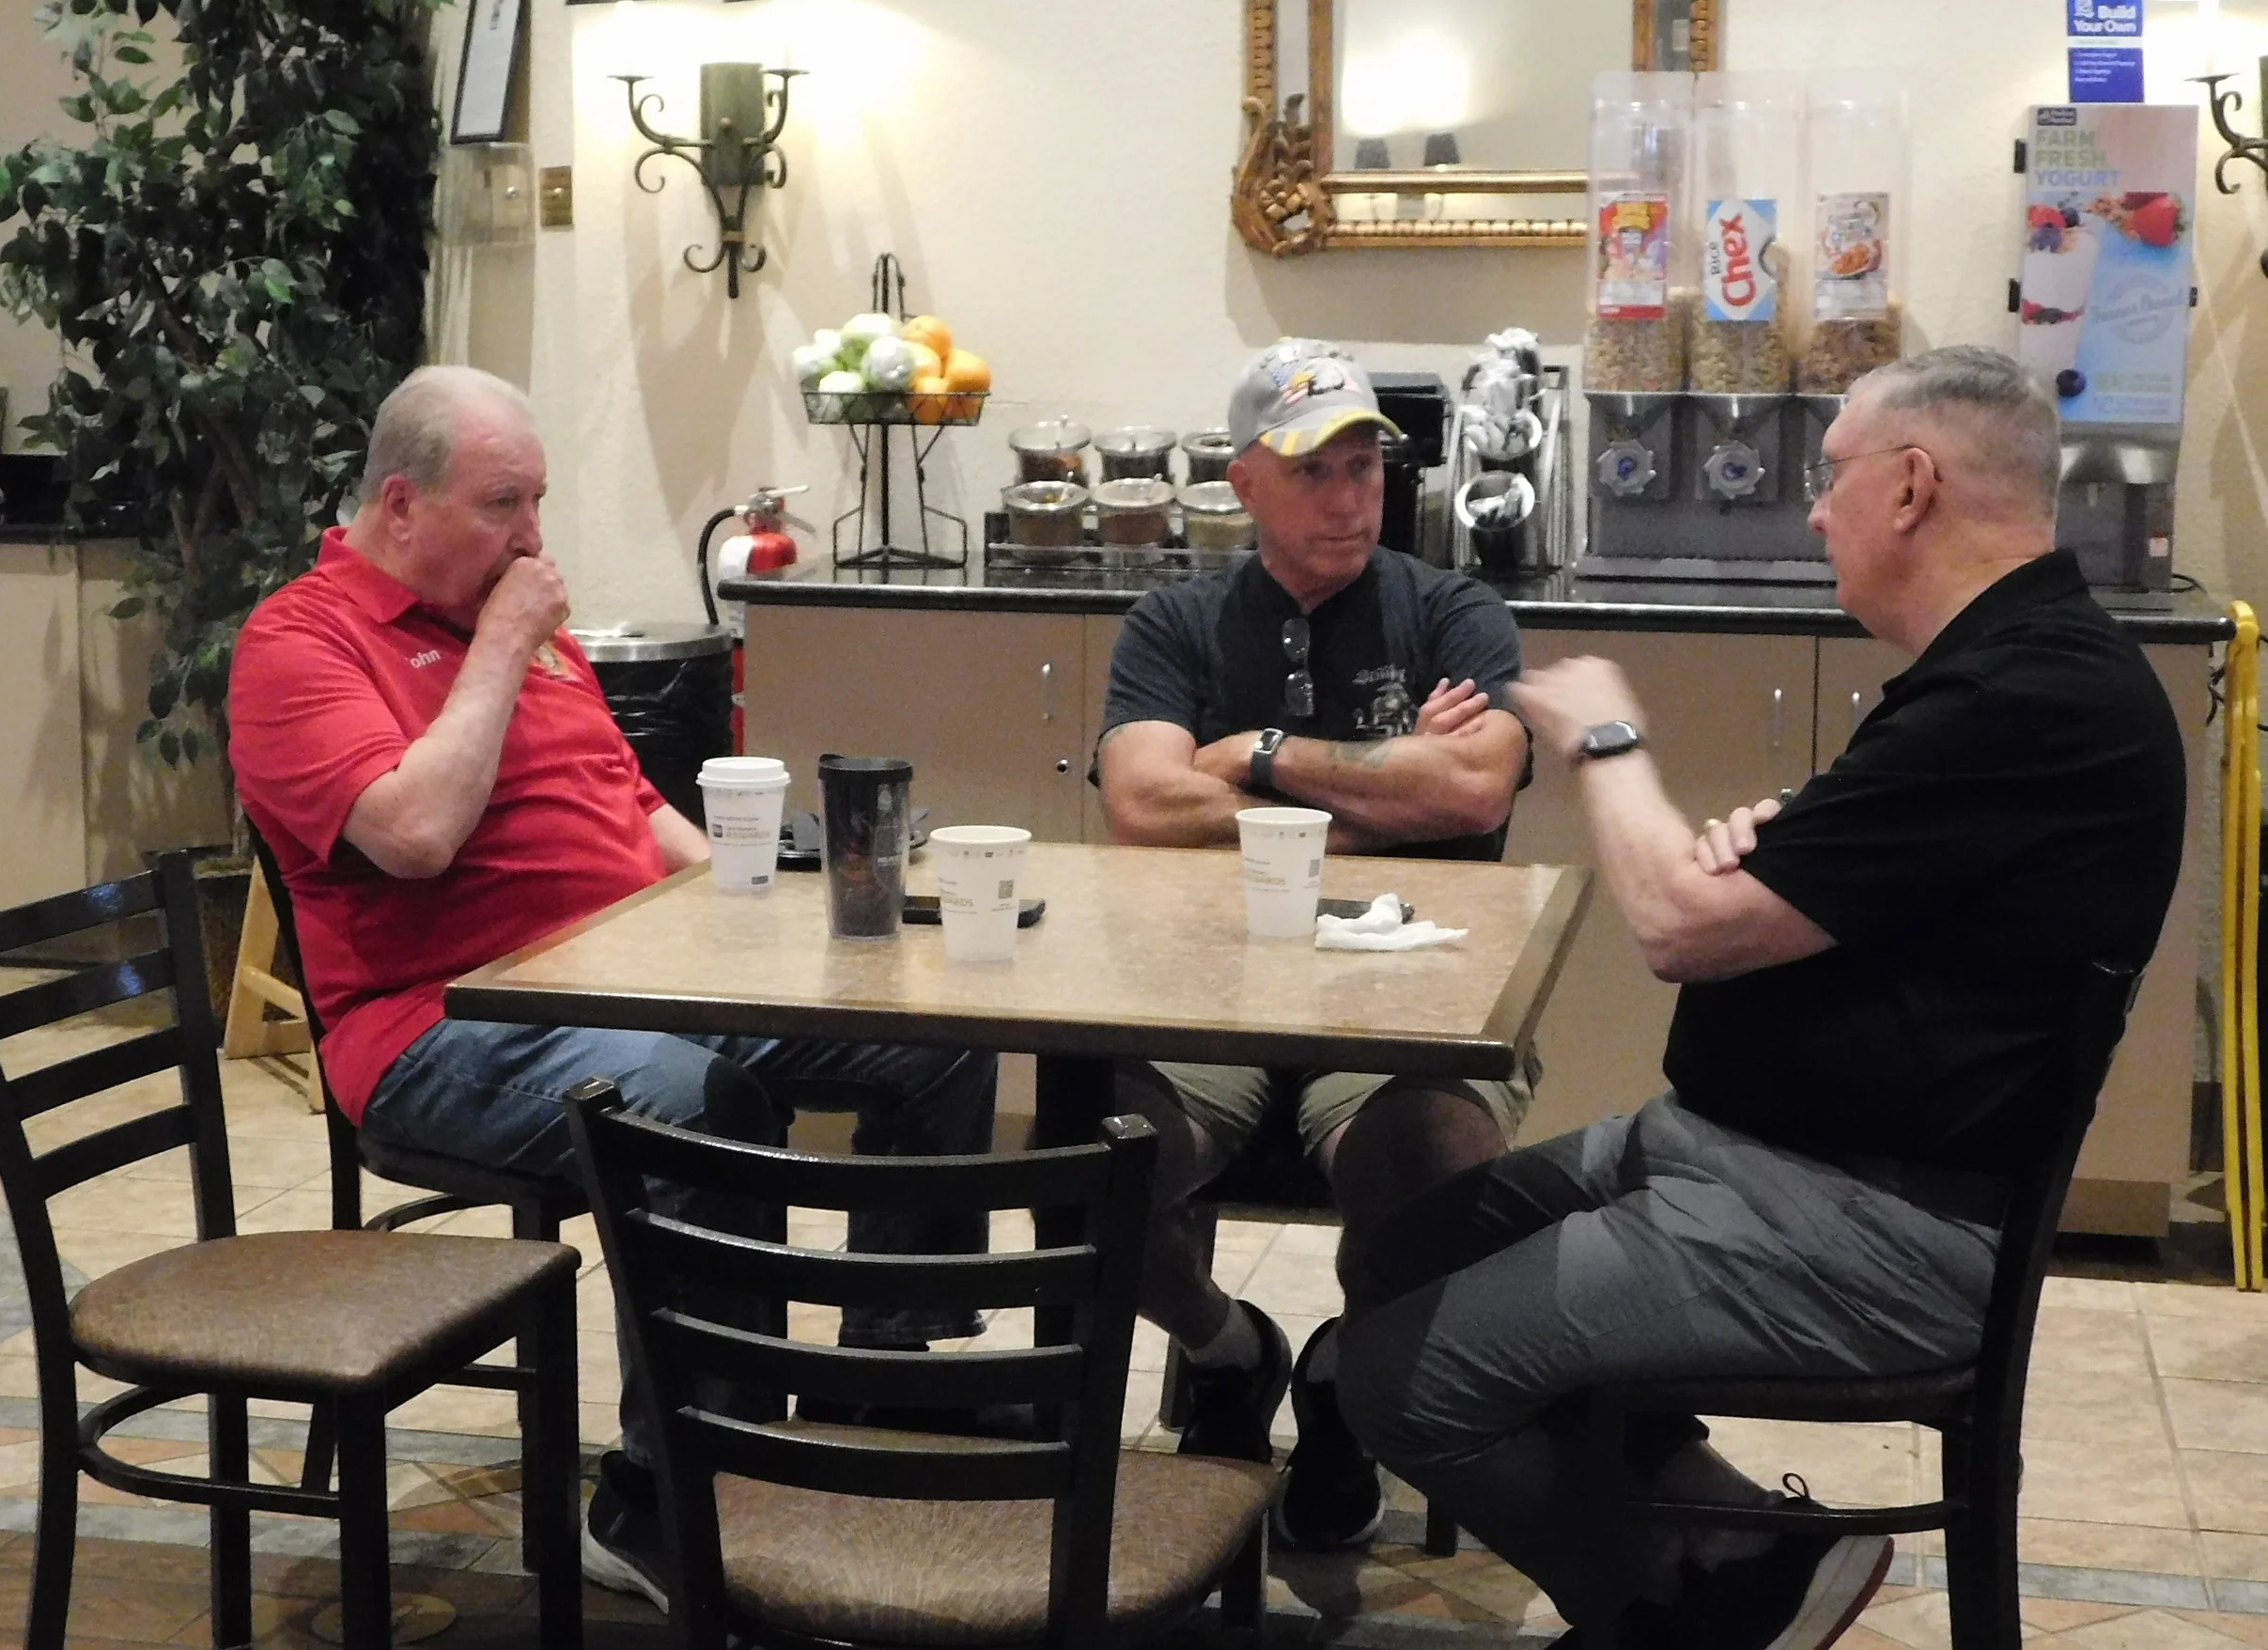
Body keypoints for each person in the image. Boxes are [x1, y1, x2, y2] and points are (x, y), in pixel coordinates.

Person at [1336, 346, 2187, 1649]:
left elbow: (1680, 926)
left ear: (1912, 486)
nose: (1813, 511)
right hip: (1754, 1157)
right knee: (1404, 1252)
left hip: (1867, 1224)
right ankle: (1743, 1542)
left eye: (1829, 476)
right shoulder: (2006, 670)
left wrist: (1606, 740)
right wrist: (1779, 841)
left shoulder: (2028, 695)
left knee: (1398, 1381)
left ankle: (1685, 1614)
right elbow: (1829, 886)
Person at [227, 366, 998, 1614]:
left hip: (630, 977)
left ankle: (885, 1387)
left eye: (538, 501)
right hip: (441, 1025)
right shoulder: (300, 643)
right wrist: (499, 645)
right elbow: (413, 833)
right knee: (698, 1105)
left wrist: (784, 928)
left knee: (924, 1031)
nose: (533, 537)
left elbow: (631, 808)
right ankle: (672, 1491)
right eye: (504, 504)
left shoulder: (517, 621)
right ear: (401, 503)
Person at [1095, 340, 1534, 1549]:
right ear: (1243, 482)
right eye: (1313, 472)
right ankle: (1225, 1349)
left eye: (1364, 468)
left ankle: (1348, 1378)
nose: (1348, 497)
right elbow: (1142, 804)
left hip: (1414, 989)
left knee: (1430, 1163)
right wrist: (1388, 791)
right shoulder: (1176, 621)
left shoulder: (1453, 611)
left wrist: (1256, 757)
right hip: (1205, 986)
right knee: (1097, 1165)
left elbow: (1474, 792)